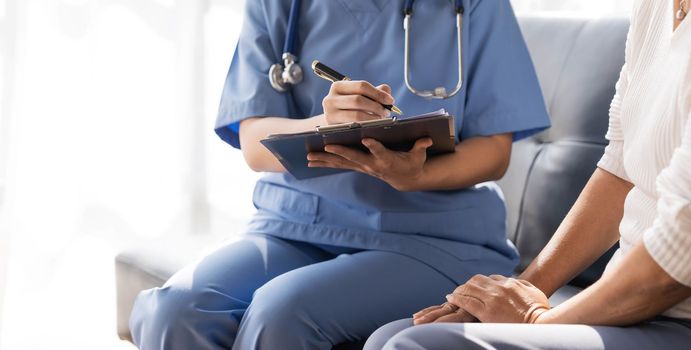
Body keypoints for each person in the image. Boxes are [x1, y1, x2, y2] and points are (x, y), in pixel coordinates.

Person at [129, 0, 550, 349]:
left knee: (283, 311)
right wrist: (325, 126)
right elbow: (254, 142)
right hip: (295, 225)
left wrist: (412, 176)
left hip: (431, 237)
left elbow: (494, 152)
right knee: (175, 309)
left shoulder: (473, 5)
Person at [364, 0, 691, 349]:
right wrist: (523, 292)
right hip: (629, 306)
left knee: (416, 345)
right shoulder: (653, 7)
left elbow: (688, 249)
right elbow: (621, 168)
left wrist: (537, 321)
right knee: (389, 337)